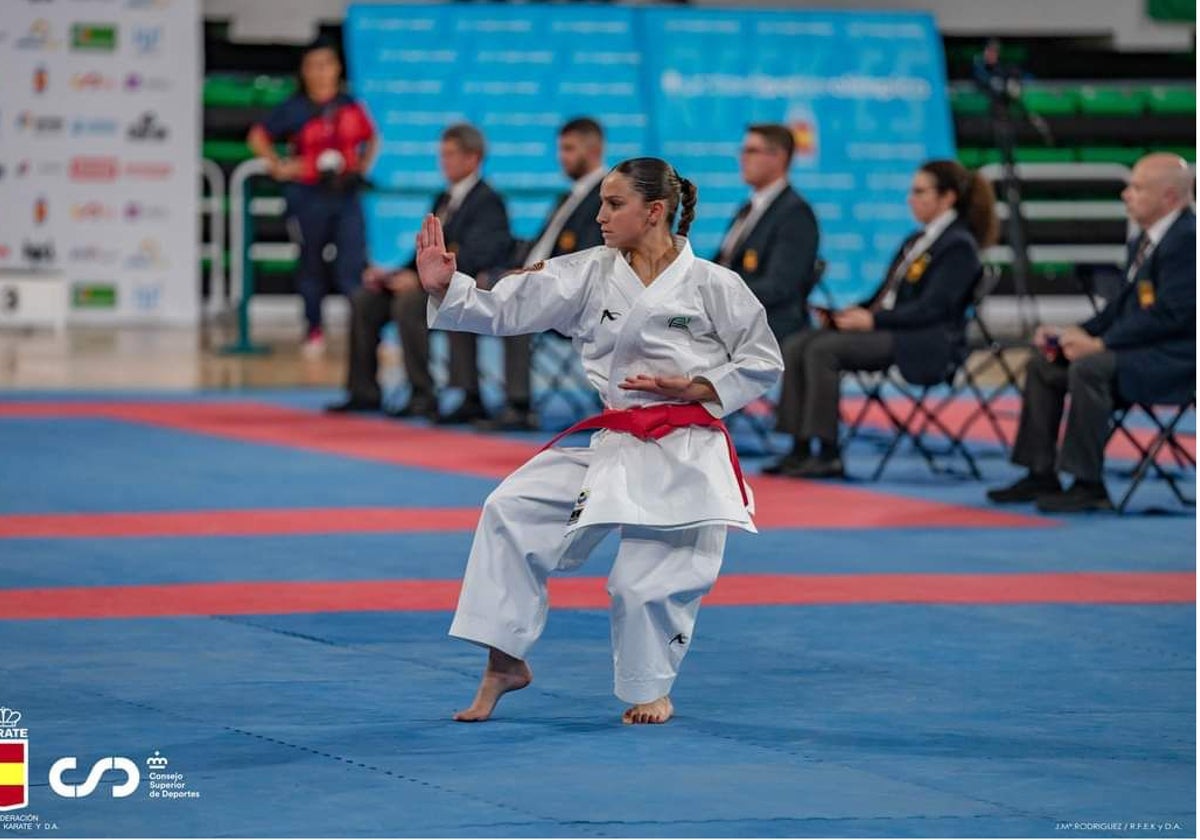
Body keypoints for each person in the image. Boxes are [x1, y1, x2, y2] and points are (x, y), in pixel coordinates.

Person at [415, 158, 783, 724]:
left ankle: (649, 688)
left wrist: (698, 385)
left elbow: (762, 361)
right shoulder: (588, 271)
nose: (600, 215)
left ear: (654, 211)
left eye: (614, 204)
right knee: (509, 509)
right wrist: (450, 289)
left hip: (685, 446)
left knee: (643, 585)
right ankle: (505, 660)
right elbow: (510, 306)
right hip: (615, 437)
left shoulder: (714, 285)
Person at [987, 153, 1195, 513]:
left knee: (1089, 366)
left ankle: (1089, 484)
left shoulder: (1188, 240)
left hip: (1176, 360)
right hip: (1138, 352)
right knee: (1046, 364)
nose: (1126, 195)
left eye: (1137, 188)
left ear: (1170, 197)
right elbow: (1119, 309)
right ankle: (1041, 471)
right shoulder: (1143, 241)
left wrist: (1100, 343)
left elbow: (1173, 315)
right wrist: (1072, 333)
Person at [767, 159, 998, 478]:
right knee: (799, 343)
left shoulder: (959, 246)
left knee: (823, 350)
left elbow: (933, 309)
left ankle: (828, 451)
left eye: (920, 191)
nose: (910, 199)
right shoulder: (916, 240)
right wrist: (847, 315)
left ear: (948, 198)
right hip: (893, 328)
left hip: (924, 340)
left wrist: (873, 322)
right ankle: (799, 446)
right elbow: (882, 297)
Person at [326, 123, 512, 419]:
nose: (443, 161)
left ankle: (422, 392)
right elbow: (427, 248)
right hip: (430, 283)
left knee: (410, 302)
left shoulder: (488, 200)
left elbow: (481, 254)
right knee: (365, 299)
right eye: (442, 154)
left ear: (473, 158)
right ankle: (364, 390)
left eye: (450, 154)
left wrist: (419, 279)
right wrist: (392, 274)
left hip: (460, 285)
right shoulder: (442, 198)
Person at [473, 117, 607, 432]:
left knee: (520, 302)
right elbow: (540, 246)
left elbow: (588, 256)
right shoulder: (566, 197)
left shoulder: (605, 197)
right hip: (539, 282)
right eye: (561, 148)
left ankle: (518, 404)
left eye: (570, 149)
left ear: (595, 149)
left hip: (572, 299)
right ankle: (467, 394)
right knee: (471, 287)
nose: (562, 156)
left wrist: (532, 274)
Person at [247, 38, 377, 357]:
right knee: (311, 263)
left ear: (337, 69)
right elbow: (258, 136)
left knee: (352, 263)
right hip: (308, 195)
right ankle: (313, 328)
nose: (320, 73)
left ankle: (367, 332)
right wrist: (280, 166)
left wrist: (360, 165)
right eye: (313, 67)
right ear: (304, 72)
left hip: (345, 194)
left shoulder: (349, 106)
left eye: (326, 65)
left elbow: (372, 137)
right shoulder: (294, 108)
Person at [715, 123, 820, 343]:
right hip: (730, 317)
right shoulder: (747, 209)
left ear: (779, 157)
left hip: (768, 324)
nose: (743, 158)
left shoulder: (795, 214)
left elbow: (778, 287)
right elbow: (721, 264)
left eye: (752, 151)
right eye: (742, 151)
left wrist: (718, 298)